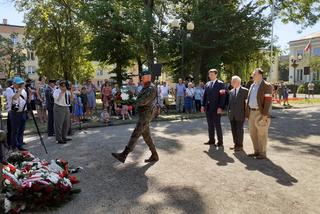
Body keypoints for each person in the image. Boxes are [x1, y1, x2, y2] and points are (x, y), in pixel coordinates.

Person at [112, 69, 158, 163]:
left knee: (136, 133)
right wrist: (126, 96)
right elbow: (138, 98)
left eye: (142, 76)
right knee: (147, 136)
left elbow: (142, 101)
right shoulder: (145, 87)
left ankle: (124, 155)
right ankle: (154, 155)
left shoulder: (150, 88)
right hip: (144, 114)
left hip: (146, 115)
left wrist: (127, 99)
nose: (141, 78)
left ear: (148, 77)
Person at [246, 68, 273, 159]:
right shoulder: (252, 85)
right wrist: (247, 113)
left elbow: (268, 101)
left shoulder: (267, 85)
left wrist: (265, 115)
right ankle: (256, 151)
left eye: (254, 74)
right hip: (251, 112)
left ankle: (262, 153)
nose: (252, 76)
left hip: (261, 113)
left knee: (262, 133)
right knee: (252, 133)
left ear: (260, 75)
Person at [201, 69, 226, 147]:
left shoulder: (220, 84)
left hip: (216, 108)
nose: (210, 76)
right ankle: (211, 140)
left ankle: (220, 142)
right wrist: (202, 105)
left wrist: (220, 107)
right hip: (208, 108)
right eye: (209, 74)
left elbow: (223, 97)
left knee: (217, 125)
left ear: (216, 75)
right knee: (210, 125)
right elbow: (205, 96)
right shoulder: (207, 84)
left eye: (212, 74)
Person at [227, 76, 248, 152]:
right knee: (233, 130)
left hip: (240, 114)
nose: (231, 83)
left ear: (238, 82)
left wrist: (246, 114)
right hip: (232, 115)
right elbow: (230, 104)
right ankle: (235, 144)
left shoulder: (245, 91)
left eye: (233, 81)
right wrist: (228, 113)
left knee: (239, 130)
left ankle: (240, 145)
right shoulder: (231, 91)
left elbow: (246, 104)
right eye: (231, 81)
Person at [7, 77, 28, 151]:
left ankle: (20, 145)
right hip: (14, 112)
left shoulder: (23, 90)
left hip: (23, 112)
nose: (20, 84)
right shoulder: (9, 90)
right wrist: (21, 89)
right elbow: (15, 97)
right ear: (14, 83)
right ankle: (14, 146)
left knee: (21, 130)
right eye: (19, 83)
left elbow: (25, 100)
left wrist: (30, 93)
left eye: (21, 83)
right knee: (14, 130)